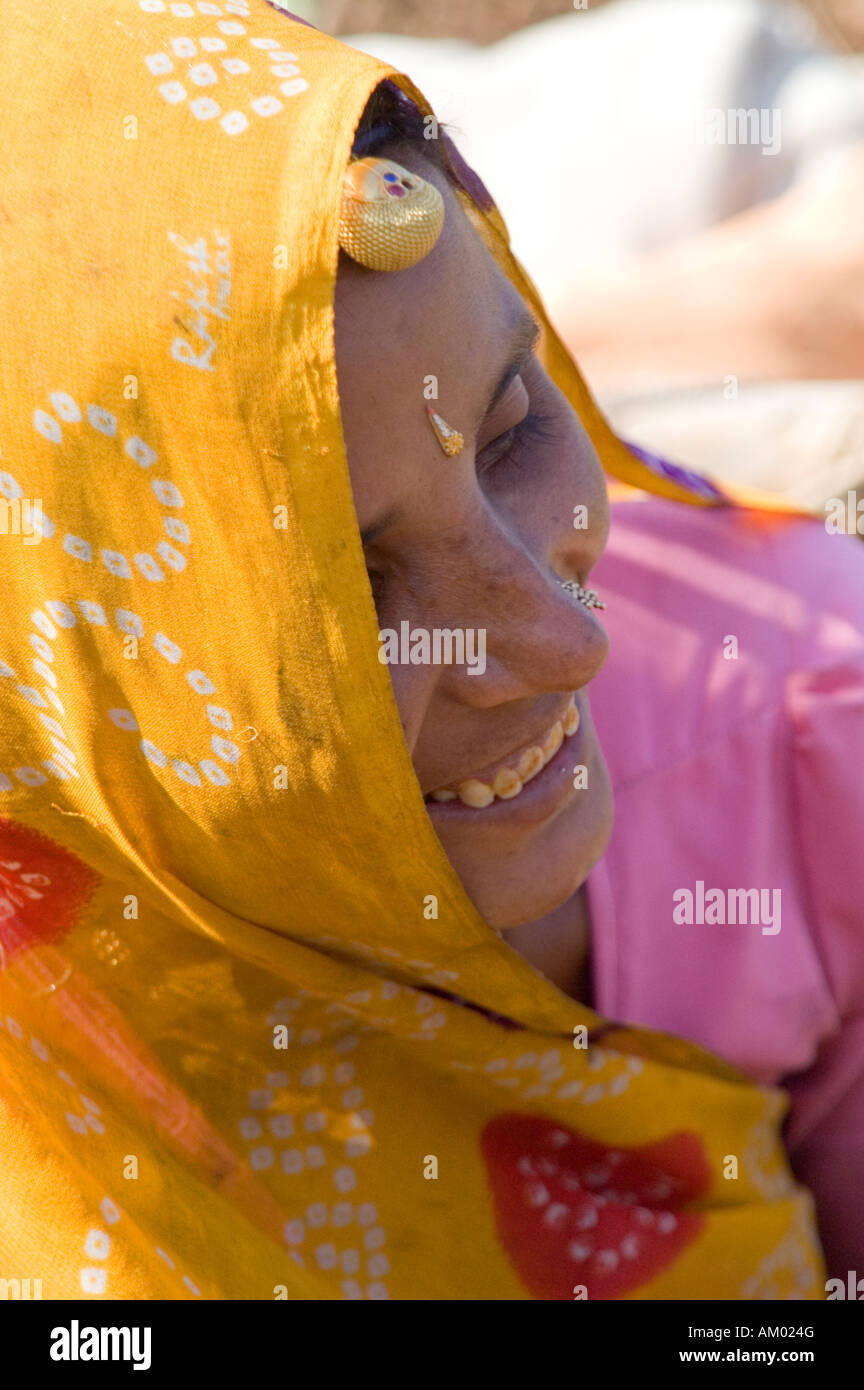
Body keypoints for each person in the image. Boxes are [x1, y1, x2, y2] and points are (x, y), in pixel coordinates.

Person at [0, 0, 856, 1301]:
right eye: (348, 599)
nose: (564, 645)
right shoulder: (52, 1023)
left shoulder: (803, 771)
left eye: (516, 424)